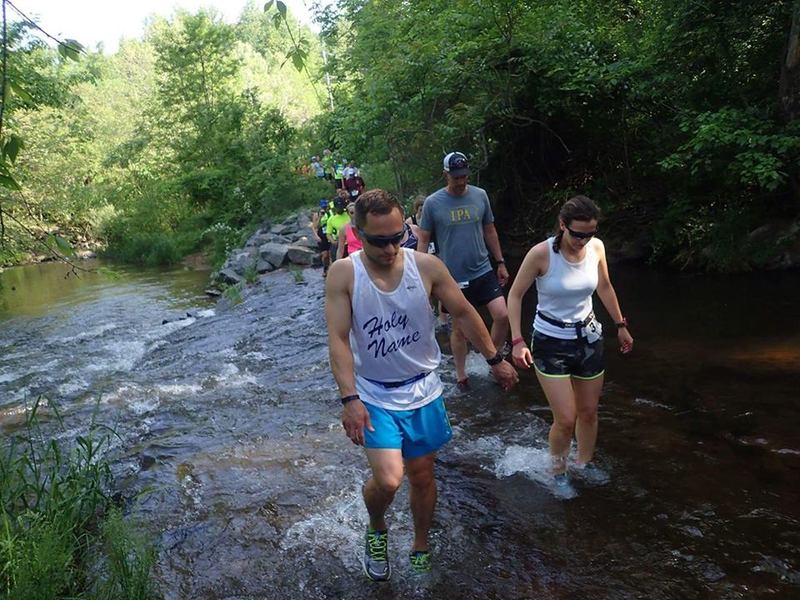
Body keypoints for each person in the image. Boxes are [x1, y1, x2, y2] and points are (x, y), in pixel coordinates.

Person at [325, 189, 518, 581]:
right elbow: (339, 339)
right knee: (389, 479)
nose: (391, 247)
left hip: (424, 390)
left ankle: (420, 544)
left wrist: (495, 359)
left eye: (399, 237)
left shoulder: (427, 267)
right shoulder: (345, 273)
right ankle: (377, 527)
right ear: (359, 235)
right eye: (380, 240)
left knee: (422, 476)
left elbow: (464, 312)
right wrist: (350, 399)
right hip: (375, 393)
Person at [507, 195, 634, 485]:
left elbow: (604, 286)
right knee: (566, 418)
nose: (584, 240)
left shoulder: (596, 248)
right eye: (578, 234)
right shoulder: (541, 255)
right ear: (562, 226)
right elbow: (515, 295)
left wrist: (620, 325)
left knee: (588, 412)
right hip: (550, 342)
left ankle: (584, 463)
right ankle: (559, 473)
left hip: (588, 339)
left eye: (590, 234)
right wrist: (517, 340)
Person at [417, 152, 510, 388]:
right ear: (445, 175)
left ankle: (491, 358)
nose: (461, 182)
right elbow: (424, 239)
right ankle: (461, 374)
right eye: (456, 177)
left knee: (502, 315)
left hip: (482, 268)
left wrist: (500, 261)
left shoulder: (480, 196)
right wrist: (421, 275)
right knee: (459, 328)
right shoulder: (432, 203)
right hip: (451, 276)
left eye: (464, 176)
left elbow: (489, 230)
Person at [326, 193, 351, 261]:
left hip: (350, 243)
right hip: (338, 243)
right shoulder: (331, 219)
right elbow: (328, 233)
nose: (339, 209)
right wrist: (333, 242)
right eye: (337, 207)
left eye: (341, 207)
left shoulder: (349, 215)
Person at [311, 199, 331, 276]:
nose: (324, 208)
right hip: (321, 235)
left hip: (329, 234)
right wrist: (320, 217)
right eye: (323, 207)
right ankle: (325, 268)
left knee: (330, 253)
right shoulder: (317, 214)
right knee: (325, 254)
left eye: (325, 207)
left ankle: (330, 269)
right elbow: (314, 226)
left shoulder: (330, 213)